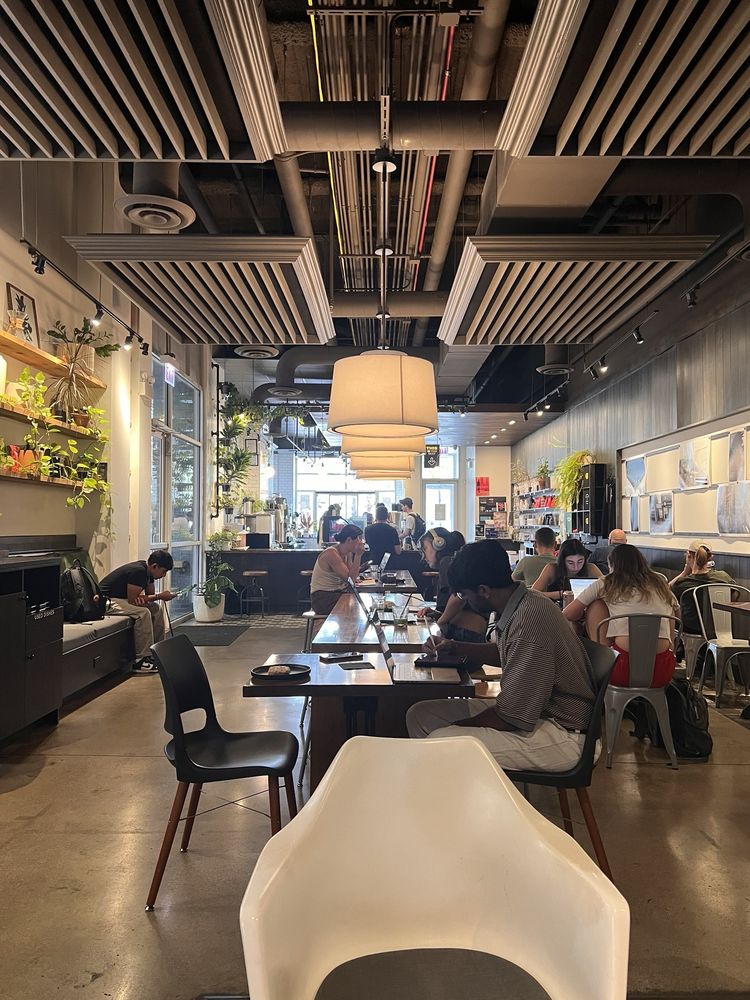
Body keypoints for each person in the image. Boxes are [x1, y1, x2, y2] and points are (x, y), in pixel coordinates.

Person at [406, 540, 596, 771]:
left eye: (464, 595)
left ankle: (458, 790)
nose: (464, 600)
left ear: (484, 591)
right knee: (420, 715)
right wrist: (453, 646)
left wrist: (460, 726)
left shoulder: (528, 621)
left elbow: (511, 716)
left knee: (441, 741)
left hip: (564, 733)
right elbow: (506, 653)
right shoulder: (523, 602)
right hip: (540, 715)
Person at [563, 544, 678, 687]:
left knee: (596, 605)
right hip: (662, 671)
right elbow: (677, 613)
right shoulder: (659, 583)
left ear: (612, 565)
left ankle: (602, 661)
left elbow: (567, 614)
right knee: (670, 610)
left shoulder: (607, 582)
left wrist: (585, 615)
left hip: (621, 669)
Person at [100, 550, 176, 671]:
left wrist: (153, 597)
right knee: (143, 613)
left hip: (121, 599)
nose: (164, 575)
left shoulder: (148, 573)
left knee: (156, 608)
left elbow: (148, 597)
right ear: (154, 566)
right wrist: (160, 596)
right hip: (106, 601)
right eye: (163, 571)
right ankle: (142, 659)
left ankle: (157, 651)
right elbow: (133, 600)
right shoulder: (138, 571)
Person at [419, 527, 487, 643]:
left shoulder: (446, 562)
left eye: (425, 549)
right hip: (472, 630)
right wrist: (438, 613)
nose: (423, 557)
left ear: (438, 544)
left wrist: (441, 621)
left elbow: (458, 597)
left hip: (465, 632)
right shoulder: (452, 561)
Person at [669, 540, 736, 636]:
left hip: (691, 629)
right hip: (720, 629)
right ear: (710, 558)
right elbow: (733, 596)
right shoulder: (724, 577)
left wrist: (684, 573)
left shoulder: (683, 583)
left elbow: (665, 592)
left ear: (689, 557)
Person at [310, 524, 366, 616]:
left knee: (361, 601)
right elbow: (350, 580)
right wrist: (358, 556)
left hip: (337, 593)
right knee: (357, 605)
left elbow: (351, 577)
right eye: (358, 539)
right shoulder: (331, 554)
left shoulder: (348, 553)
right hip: (322, 597)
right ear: (349, 540)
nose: (361, 542)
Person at [532, 537, 602, 600]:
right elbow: (532, 594)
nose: (576, 567)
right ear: (562, 561)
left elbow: (607, 589)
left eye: (580, 562)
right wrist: (560, 594)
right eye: (570, 563)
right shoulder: (552, 569)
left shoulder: (591, 568)